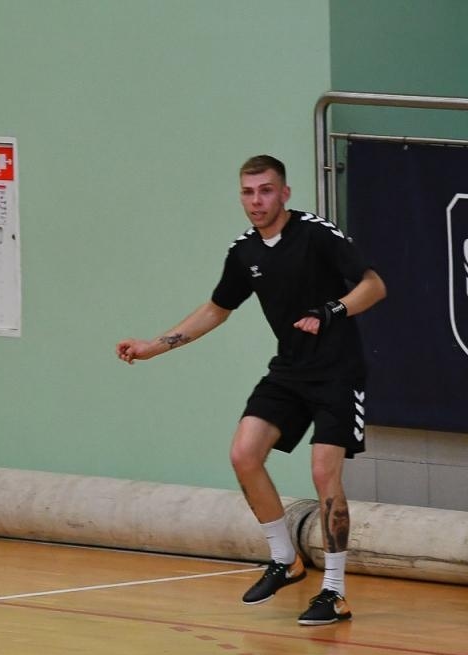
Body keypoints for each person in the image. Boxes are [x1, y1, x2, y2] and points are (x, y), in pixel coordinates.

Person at [115, 155, 386, 626]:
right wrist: (153, 347)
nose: (256, 201)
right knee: (244, 453)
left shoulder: (316, 234)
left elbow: (374, 286)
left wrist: (330, 311)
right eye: (248, 192)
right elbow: (216, 309)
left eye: (265, 190)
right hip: (289, 371)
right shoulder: (245, 253)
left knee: (323, 472)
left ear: (285, 193)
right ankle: (286, 561)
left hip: (338, 372)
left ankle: (334, 592)